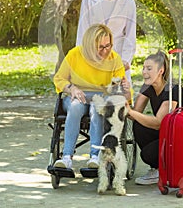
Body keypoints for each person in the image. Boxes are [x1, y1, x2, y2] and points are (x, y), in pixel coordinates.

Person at [53, 24, 131, 170]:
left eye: (108, 45)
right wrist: (72, 88)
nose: (106, 50)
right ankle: (66, 157)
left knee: (98, 108)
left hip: (101, 97)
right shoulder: (75, 54)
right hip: (77, 95)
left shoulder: (114, 59)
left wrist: (121, 89)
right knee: (75, 107)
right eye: (100, 47)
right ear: (89, 46)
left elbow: (121, 88)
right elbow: (59, 78)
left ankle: (95, 156)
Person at [125, 50, 183, 185]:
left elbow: (158, 123)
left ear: (161, 70)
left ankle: (162, 169)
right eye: (143, 68)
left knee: (147, 154)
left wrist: (131, 112)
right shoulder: (148, 87)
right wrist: (126, 94)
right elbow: (134, 113)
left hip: (181, 137)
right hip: (167, 131)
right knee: (138, 124)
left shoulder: (172, 90)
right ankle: (158, 168)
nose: (144, 72)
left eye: (149, 69)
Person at [76, 0, 136, 83]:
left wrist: (125, 61)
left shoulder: (128, 2)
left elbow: (130, 35)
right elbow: (83, 29)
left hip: (117, 57)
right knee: (94, 96)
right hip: (93, 55)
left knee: (118, 98)